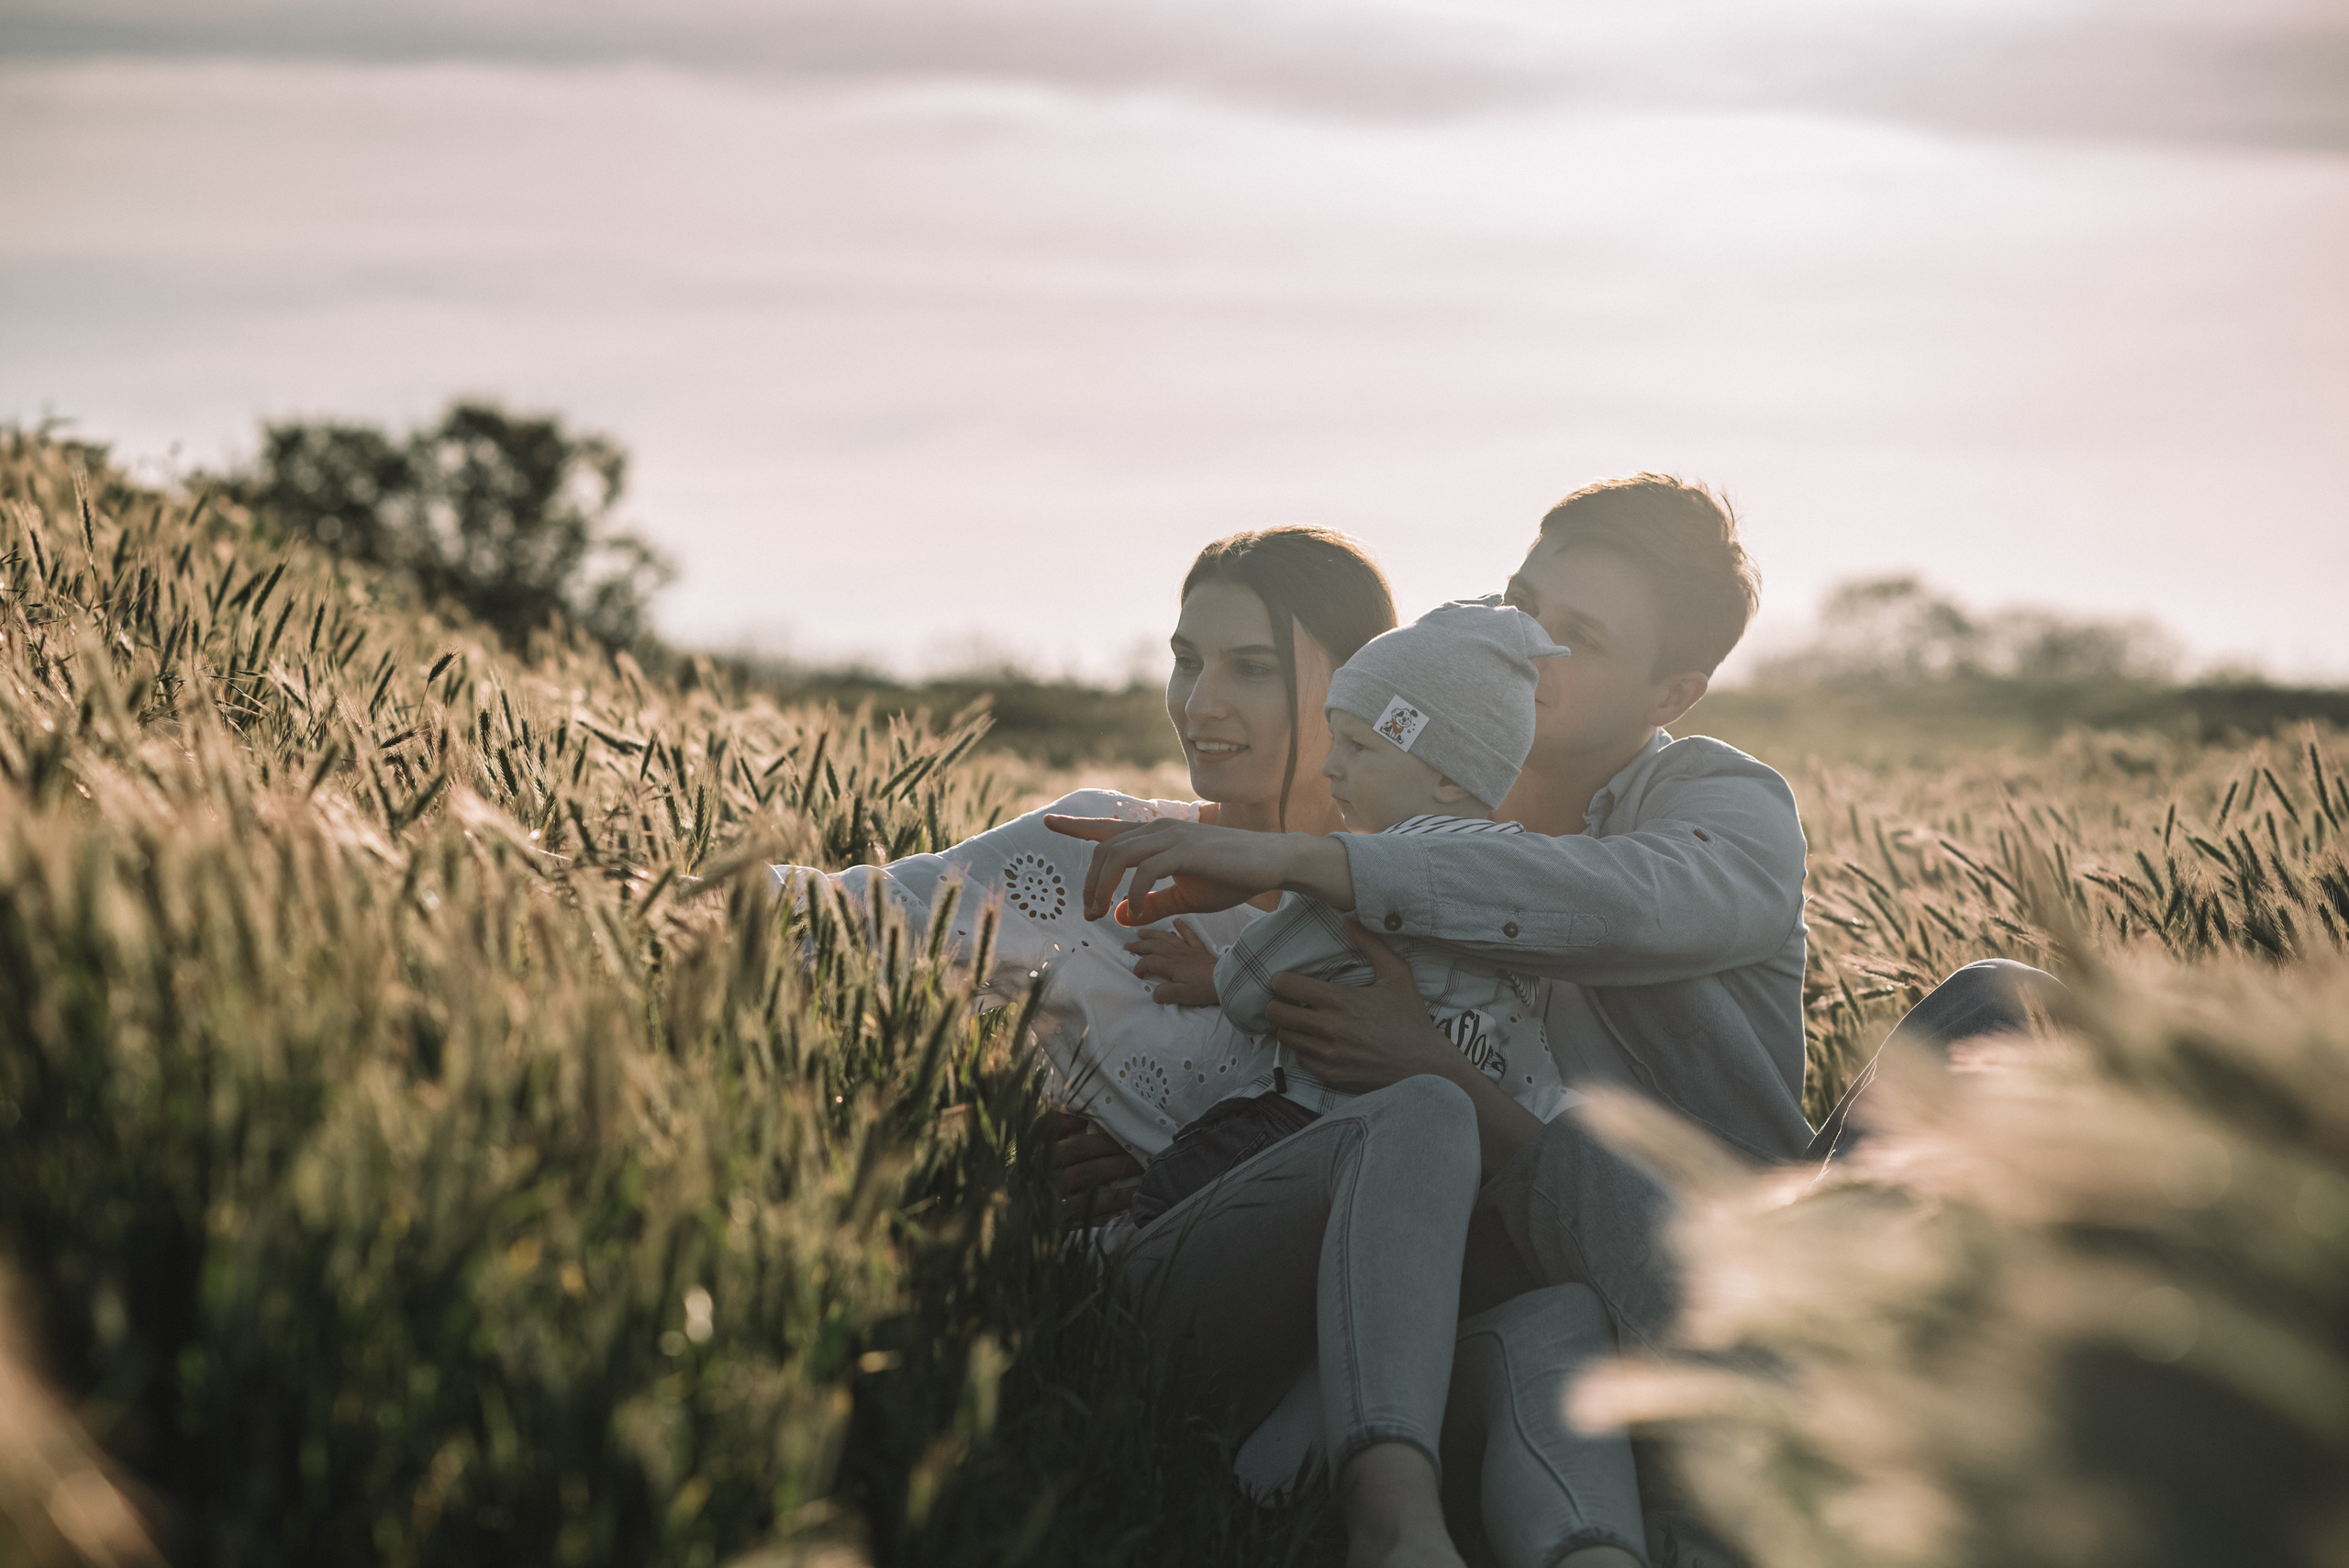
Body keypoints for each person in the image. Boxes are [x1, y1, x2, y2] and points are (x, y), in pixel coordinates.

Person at [1052, 474, 2056, 1566]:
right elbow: (1270, 1039)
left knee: (2004, 997)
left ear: (1672, 691)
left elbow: (1616, 901)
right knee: (1535, 1185)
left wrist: (1322, 874)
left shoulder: (1719, 806)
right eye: (1521, 597)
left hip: (1738, 1235)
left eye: (1577, 634)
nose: (1528, 639)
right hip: (1512, 1260)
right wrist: (1125, 1132)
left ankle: (1925, 1399)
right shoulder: (1396, 794)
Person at [770, 525, 1395, 1180]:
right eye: (1187, 662)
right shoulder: (1101, 851)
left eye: (1252, 668)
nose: (1200, 704)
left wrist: (1178, 1181)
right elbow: (828, 918)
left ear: (1361, 685)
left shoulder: (1425, 892)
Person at [1127, 597, 1577, 1229]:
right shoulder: (1531, 880)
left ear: (1450, 774)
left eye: (1359, 746)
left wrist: (1217, 973)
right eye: (1334, 739)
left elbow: (1249, 992)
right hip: (1467, 1164)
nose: (1330, 765)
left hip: (1305, 1126)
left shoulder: (1351, 874)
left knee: (1157, 1208)